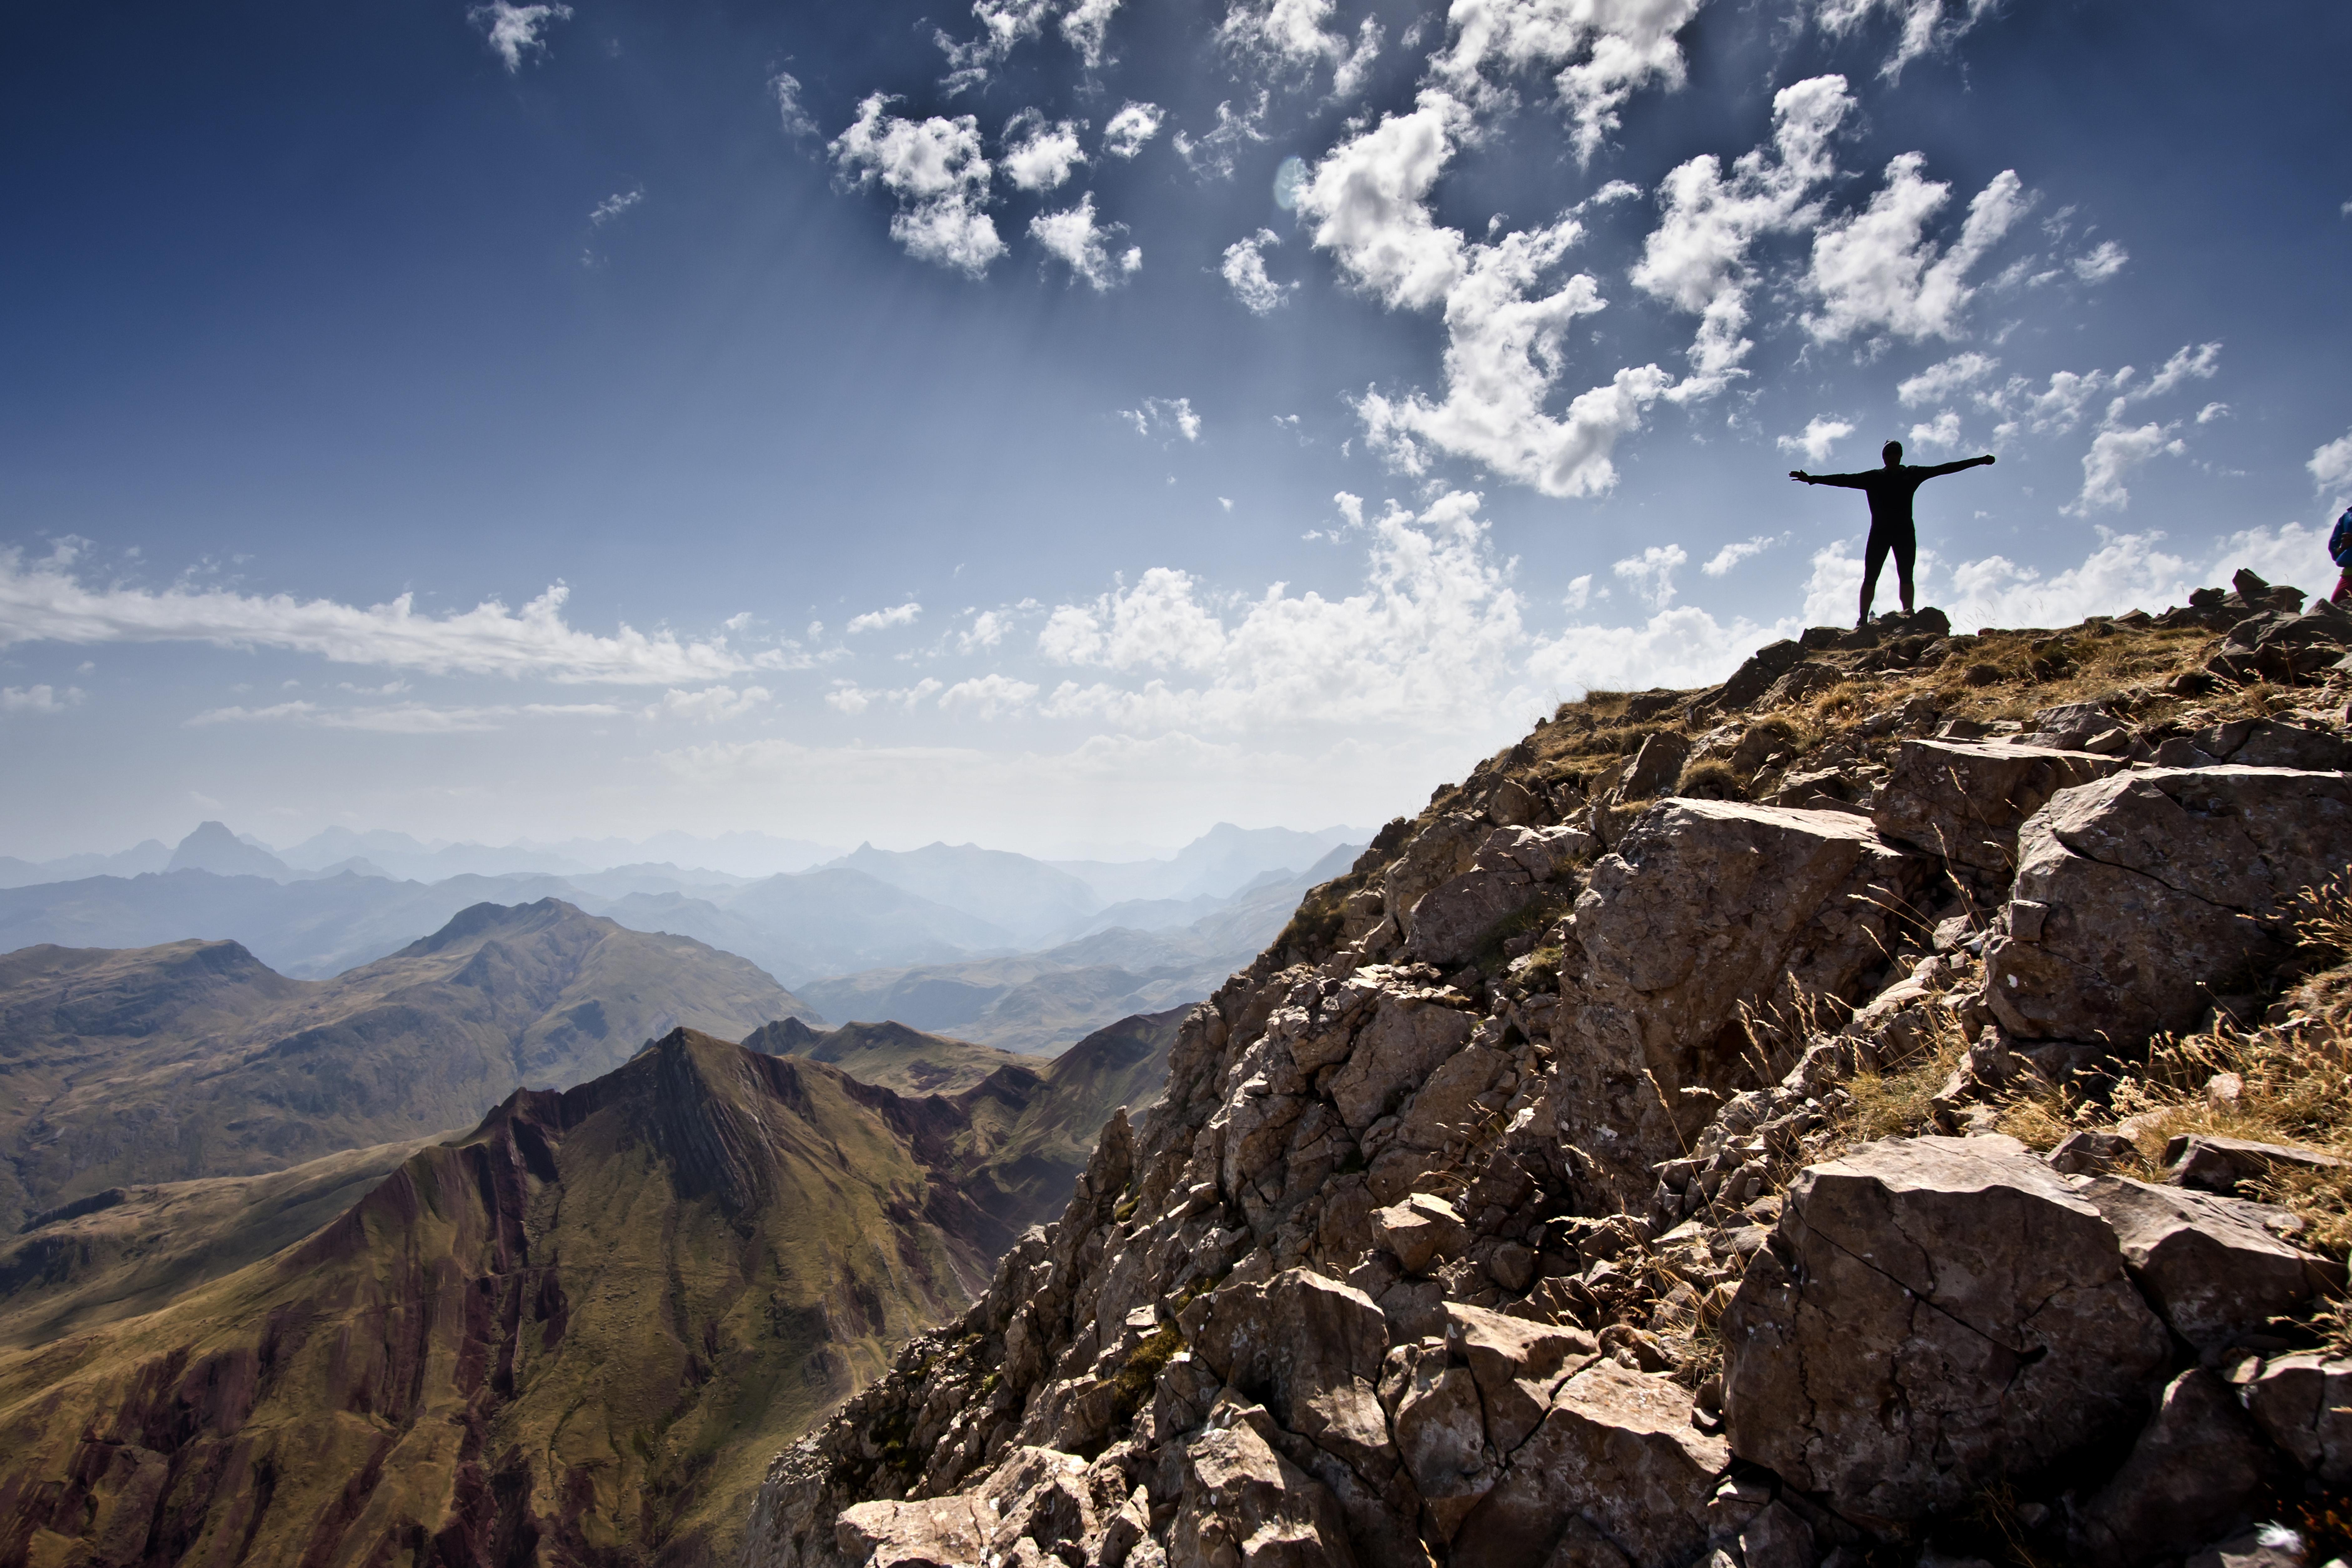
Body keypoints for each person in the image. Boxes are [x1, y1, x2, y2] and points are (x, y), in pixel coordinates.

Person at [1791, 440, 1996, 626]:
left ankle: (1908, 614)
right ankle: (1863, 619)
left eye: (1895, 454)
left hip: (1904, 532)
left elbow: (1945, 468)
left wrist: (1979, 461)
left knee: (1906, 576)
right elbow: (1844, 479)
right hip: (1880, 533)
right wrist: (1813, 479)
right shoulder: (1874, 478)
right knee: (1870, 577)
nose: (1891, 457)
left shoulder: (1912, 473)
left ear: (1900, 456)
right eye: (1888, 454)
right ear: (1884, 458)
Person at [2330, 504, 2351, 604]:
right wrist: (2343, 547)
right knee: (2335, 609)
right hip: (2350, 574)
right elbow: (2335, 551)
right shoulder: (2347, 517)